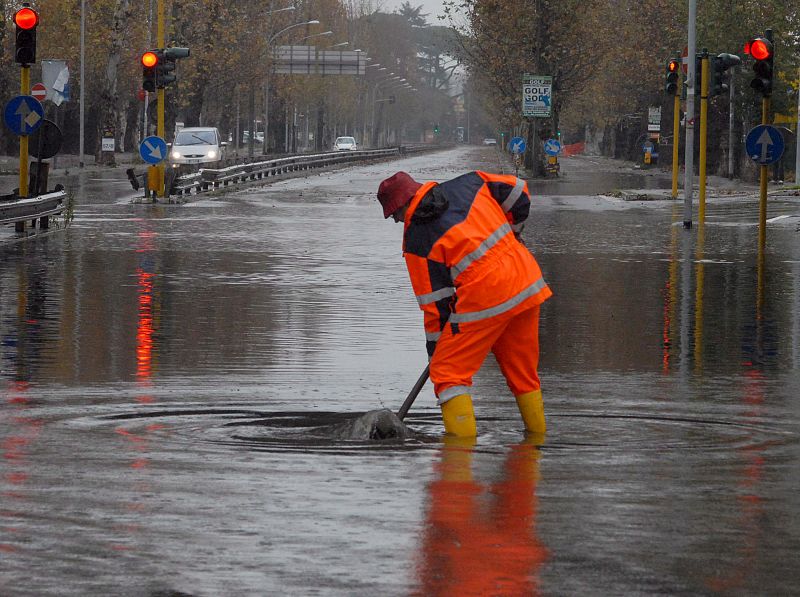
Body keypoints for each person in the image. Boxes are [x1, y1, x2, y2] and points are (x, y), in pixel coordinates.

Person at [377, 170, 552, 437]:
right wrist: (513, 231)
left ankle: (459, 457)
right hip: (526, 280)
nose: (398, 221)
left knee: (448, 374)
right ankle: (537, 442)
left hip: (485, 297)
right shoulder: (470, 183)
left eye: (394, 216)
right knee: (523, 373)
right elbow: (518, 190)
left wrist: (437, 354)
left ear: (401, 205)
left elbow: (435, 306)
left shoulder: (417, 240)